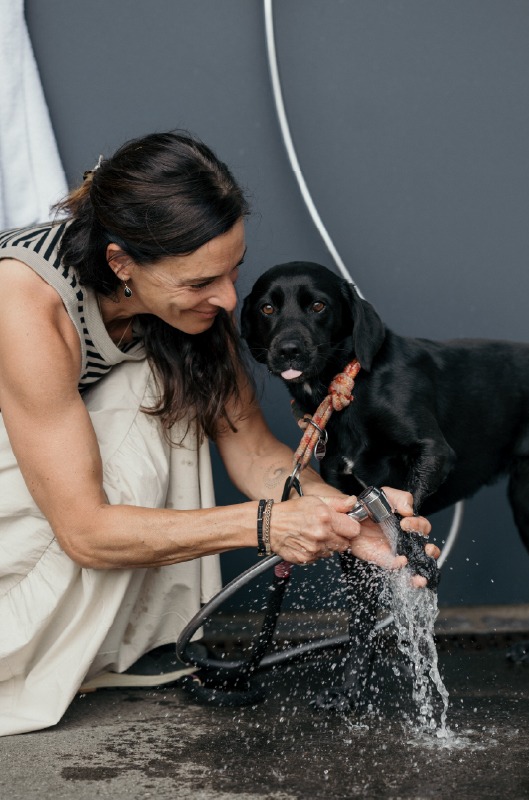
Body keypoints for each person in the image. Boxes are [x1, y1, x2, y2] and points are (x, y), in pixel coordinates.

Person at [0, 131, 437, 736]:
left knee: (166, 381)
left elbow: (256, 452)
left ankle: (121, 648)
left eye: (233, 271)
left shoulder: (186, 311)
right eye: (201, 282)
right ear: (120, 261)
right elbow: (85, 531)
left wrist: (350, 517)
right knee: (138, 396)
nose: (228, 299)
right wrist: (266, 525)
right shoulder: (23, 298)